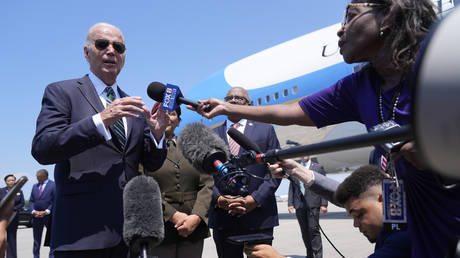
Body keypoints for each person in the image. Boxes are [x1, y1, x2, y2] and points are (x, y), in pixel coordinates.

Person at [193, 1, 459, 257]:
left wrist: (442, 150)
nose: (340, 29)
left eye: (351, 15)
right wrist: (229, 110)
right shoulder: (359, 87)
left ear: (388, 17)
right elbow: (292, 112)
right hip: (418, 225)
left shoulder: (441, 59)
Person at [31, 22, 169, 257]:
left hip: (129, 235)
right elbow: (43, 148)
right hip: (80, 234)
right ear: (87, 52)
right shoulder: (62, 92)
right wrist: (100, 120)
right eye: (102, 44)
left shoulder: (133, 106)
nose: (111, 50)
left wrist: (157, 135)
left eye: (119, 47)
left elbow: (150, 163)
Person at [245, 164, 411, 258]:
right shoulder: (396, 220)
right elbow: (355, 196)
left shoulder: (403, 238)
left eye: (360, 214)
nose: (356, 225)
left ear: (382, 199)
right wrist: (297, 171)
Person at [210, 87, 281, 258]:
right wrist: (221, 200)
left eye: (239, 98)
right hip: (224, 217)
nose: (233, 100)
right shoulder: (210, 135)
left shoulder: (266, 130)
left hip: (259, 216)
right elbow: (204, 176)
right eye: (229, 98)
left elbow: (276, 170)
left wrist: (255, 199)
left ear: (248, 104)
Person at [144, 103, 214, 258]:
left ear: (179, 121)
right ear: (152, 119)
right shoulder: (143, 149)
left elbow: (207, 184)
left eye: (172, 114)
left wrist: (196, 216)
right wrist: (173, 216)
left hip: (192, 229)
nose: (167, 117)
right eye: (162, 113)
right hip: (160, 230)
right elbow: (143, 189)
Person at [287, 156, 328, 258]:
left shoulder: (318, 167)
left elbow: (323, 185)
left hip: (313, 203)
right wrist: (290, 203)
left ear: (309, 155)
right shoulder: (295, 167)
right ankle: (309, 255)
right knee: (304, 231)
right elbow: (292, 186)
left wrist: (324, 203)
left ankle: (318, 255)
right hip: (299, 204)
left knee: (313, 230)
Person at [29, 169, 55, 258]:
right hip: (36, 216)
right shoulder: (34, 186)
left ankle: (52, 255)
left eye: (38, 177)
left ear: (45, 176)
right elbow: (31, 201)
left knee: (52, 238)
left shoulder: (53, 185)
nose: (36, 178)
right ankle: (36, 256)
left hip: (49, 216)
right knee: (36, 239)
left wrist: (47, 211)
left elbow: (54, 200)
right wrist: (33, 211)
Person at [0, 175, 24, 258]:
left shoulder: (19, 191)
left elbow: (22, 203)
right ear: (6, 182)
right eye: (9, 180)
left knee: (12, 238)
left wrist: (14, 209)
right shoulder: (1, 191)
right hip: (2, 218)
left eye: (13, 180)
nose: (11, 182)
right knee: (1, 239)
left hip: (13, 217)